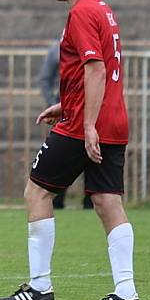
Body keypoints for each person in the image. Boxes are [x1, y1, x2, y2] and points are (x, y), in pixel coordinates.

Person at [0, 0, 139, 300]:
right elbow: (98, 70)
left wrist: (86, 122)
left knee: (37, 192)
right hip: (111, 119)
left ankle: (39, 287)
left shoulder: (81, 13)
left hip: (84, 125)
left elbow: (96, 68)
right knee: (108, 201)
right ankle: (126, 292)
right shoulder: (104, 10)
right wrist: (67, 103)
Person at [38, 42, 93, 210]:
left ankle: (90, 200)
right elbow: (45, 79)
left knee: (90, 155)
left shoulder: (90, 48)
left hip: (88, 108)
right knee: (61, 155)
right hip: (66, 110)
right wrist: (53, 103)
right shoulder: (57, 50)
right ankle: (57, 200)